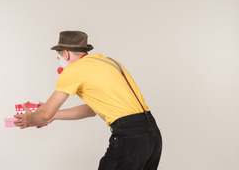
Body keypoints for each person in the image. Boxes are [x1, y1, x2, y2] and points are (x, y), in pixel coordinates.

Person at [14, 31, 162, 170]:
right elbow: (91, 110)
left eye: (58, 58)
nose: (59, 64)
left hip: (130, 136)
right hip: (152, 134)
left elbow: (45, 114)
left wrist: (30, 119)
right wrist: (55, 114)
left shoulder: (73, 70)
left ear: (65, 54)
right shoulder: (108, 62)